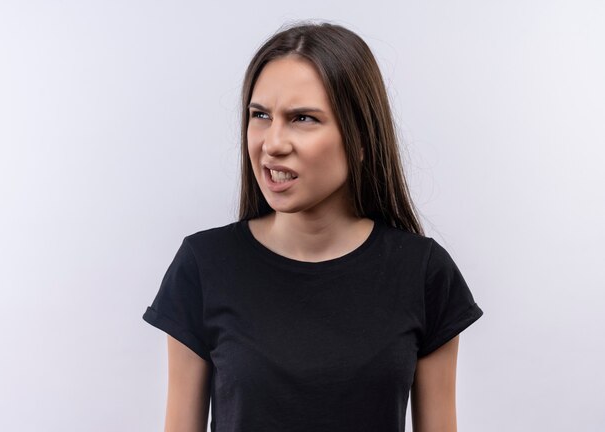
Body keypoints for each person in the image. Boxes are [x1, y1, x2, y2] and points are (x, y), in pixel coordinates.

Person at [143, 21, 483, 432]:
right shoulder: (203, 265)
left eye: (302, 118)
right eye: (260, 115)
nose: (272, 143)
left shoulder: (424, 273)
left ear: (360, 139)